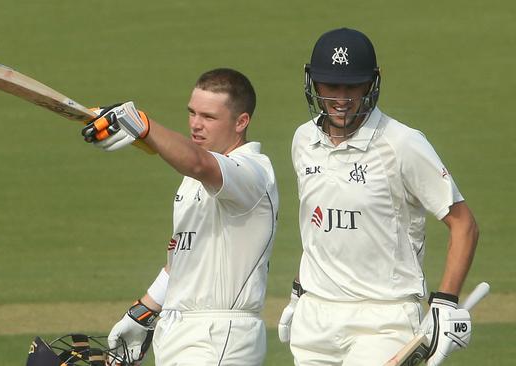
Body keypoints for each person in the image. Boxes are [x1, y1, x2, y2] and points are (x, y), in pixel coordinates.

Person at [277, 28, 479, 365]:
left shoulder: (402, 143)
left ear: (372, 83)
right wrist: (299, 293)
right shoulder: (303, 141)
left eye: (352, 86)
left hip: (384, 319)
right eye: (331, 86)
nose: (341, 98)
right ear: (313, 82)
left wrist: (444, 303)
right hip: (315, 317)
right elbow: (318, 225)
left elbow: (464, 224)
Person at [82, 68, 279, 366]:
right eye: (192, 113)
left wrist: (142, 125)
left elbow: (200, 163)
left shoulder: (252, 172)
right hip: (178, 330)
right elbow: (182, 258)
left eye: (209, 117)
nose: (196, 125)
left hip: (220, 335)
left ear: (241, 122)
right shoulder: (191, 182)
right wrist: (145, 310)